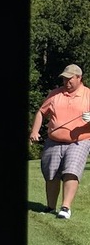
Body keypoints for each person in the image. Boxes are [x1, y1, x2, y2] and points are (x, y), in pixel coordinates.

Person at [29, 64, 90, 218]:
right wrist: (34, 131)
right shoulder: (55, 94)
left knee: (71, 170)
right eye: (64, 79)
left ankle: (65, 207)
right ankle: (50, 207)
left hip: (79, 141)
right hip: (53, 140)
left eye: (70, 79)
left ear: (79, 78)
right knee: (51, 174)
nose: (66, 82)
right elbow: (42, 113)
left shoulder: (88, 95)